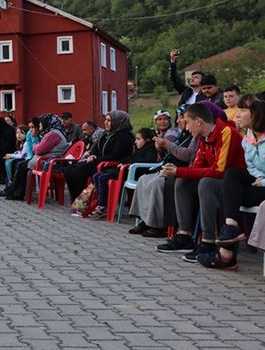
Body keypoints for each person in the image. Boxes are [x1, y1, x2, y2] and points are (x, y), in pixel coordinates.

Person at [156, 102, 246, 263]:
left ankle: (208, 241)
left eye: (187, 122)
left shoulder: (227, 132)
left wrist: (179, 170)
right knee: (182, 181)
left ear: (198, 121)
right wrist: (176, 171)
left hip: (234, 185)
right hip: (218, 181)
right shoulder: (204, 138)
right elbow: (197, 166)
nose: (186, 127)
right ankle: (184, 235)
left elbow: (219, 170)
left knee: (206, 183)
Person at [199, 94, 264, 269]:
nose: (237, 114)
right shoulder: (249, 137)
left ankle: (226, 256)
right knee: (232, 174)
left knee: (231, 195)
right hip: (256, 183)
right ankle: (231, 227)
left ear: (257, 113)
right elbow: (250, 168)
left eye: (243, 110)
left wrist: (262, 180)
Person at [128, 105, 197, 238]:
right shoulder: (183, 134)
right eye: (178, 117)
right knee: (143, 180)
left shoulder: (188, 135)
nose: (178, 121)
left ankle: (158, 225)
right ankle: (144, 220)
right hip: (170, 166)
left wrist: (166, 145)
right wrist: (160, 148)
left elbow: (186, 155)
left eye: (181, 117)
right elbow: (169, 154)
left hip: (181, 169)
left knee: (156, 184)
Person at [87, 128, 159, 219]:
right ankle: (102, 203)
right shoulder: (139, 149)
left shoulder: (150, 149)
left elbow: (149, 160)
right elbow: (130, 157)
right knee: (96, 175)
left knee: (102, 178)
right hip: (124, 171)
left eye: (138, 139)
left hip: (133, 173)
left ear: (147, 140)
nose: (135, 142)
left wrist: (130, 164)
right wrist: (122, 162)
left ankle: (102, 206)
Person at [63, 111, 134, 201]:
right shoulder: (106, 134)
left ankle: (82, 201)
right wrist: (92, 155)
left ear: (117, 122)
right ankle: (76, 200)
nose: (105, 122)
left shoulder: (124, 137)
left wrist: (96, 158)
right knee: (68, 170)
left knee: (77, 172)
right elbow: (96, 147)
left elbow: (115, 155)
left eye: (109, 120)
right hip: (98, 161)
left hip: (110, 165)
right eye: (105, 120)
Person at [6, 114, 70, 200]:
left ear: (47, 122)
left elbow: (38, 149)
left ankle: (18, 193)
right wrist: (36, 146)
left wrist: (35, 143)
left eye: (41, 123)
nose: (39, 125)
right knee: (20, 164)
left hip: (49, 162)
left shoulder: (53, 134)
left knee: (21, 165)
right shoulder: (51, 132)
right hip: (46, 159)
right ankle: (14, 191)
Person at [0, 124, 32, 197]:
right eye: (17, 133)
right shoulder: (21, 143)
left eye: (22, 133)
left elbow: (22, 155)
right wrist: (13, 154)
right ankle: (10, 183)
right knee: (9, 161)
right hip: (24, 160)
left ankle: (12, 184)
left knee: (12, 162)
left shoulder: (26, 143)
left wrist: (11, 155)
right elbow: (20, 152)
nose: (19, 135)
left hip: (27, 161)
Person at [0, 116, 17, 184]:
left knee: (0, 157)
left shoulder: (10, 130)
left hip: (9, 151)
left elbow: (9, 144)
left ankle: (4, 177)